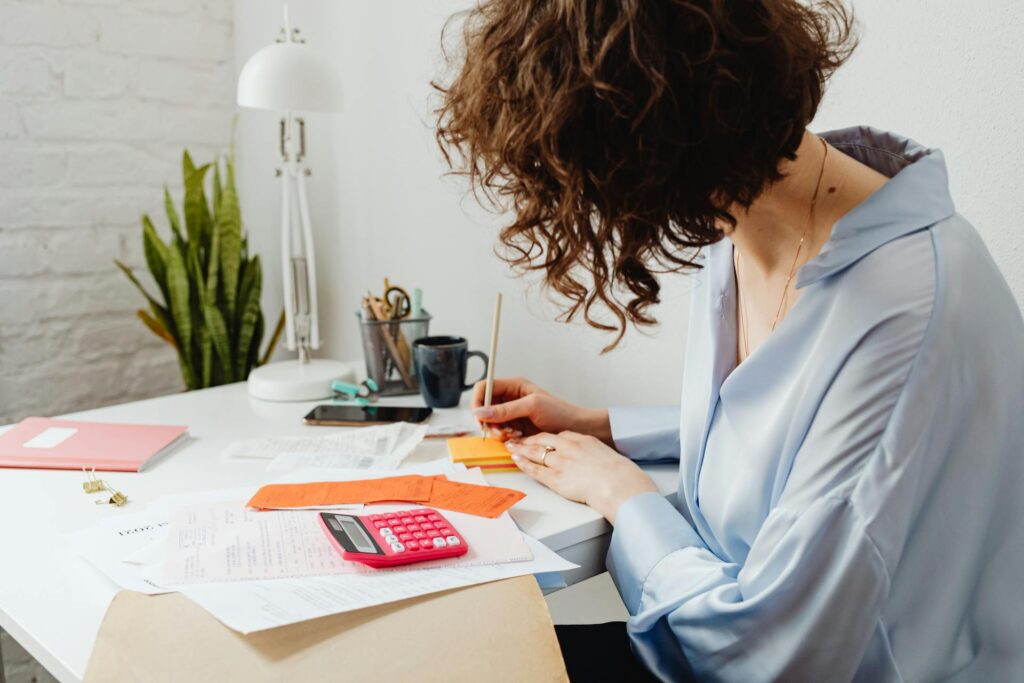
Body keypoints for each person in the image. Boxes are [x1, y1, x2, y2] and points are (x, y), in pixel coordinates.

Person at [435, 0, 1024, 681]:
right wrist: (601, 426)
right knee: (443, 654)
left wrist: (626, 497)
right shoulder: (742, 226)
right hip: (702, 633)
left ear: (653, 151)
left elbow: (771, 652)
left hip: (768, 657)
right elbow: (795, 441)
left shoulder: (904, 310)